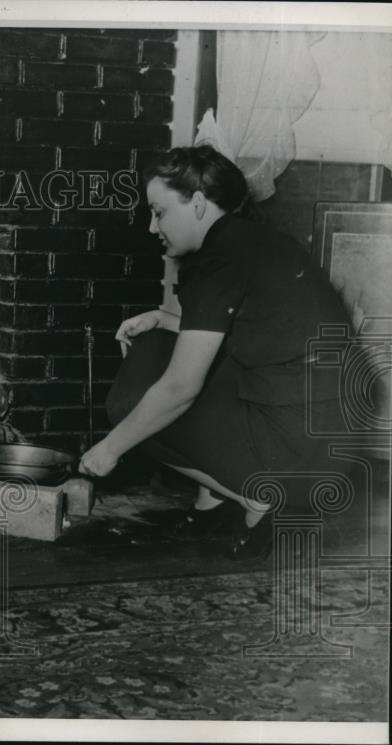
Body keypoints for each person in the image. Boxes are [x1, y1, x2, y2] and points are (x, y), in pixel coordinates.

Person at [78, 145, 354, 560]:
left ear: (200, 204)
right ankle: (212, 503)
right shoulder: (256, 239)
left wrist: (108, 449)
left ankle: (259, 498)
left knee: (132, 399)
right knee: (158, 345)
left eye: (160, 211)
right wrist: (162, 316)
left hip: (295, 445)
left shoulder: (215, 263)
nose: (153, 227)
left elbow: (181, 388)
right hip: (332, 436)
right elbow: (261, 331)